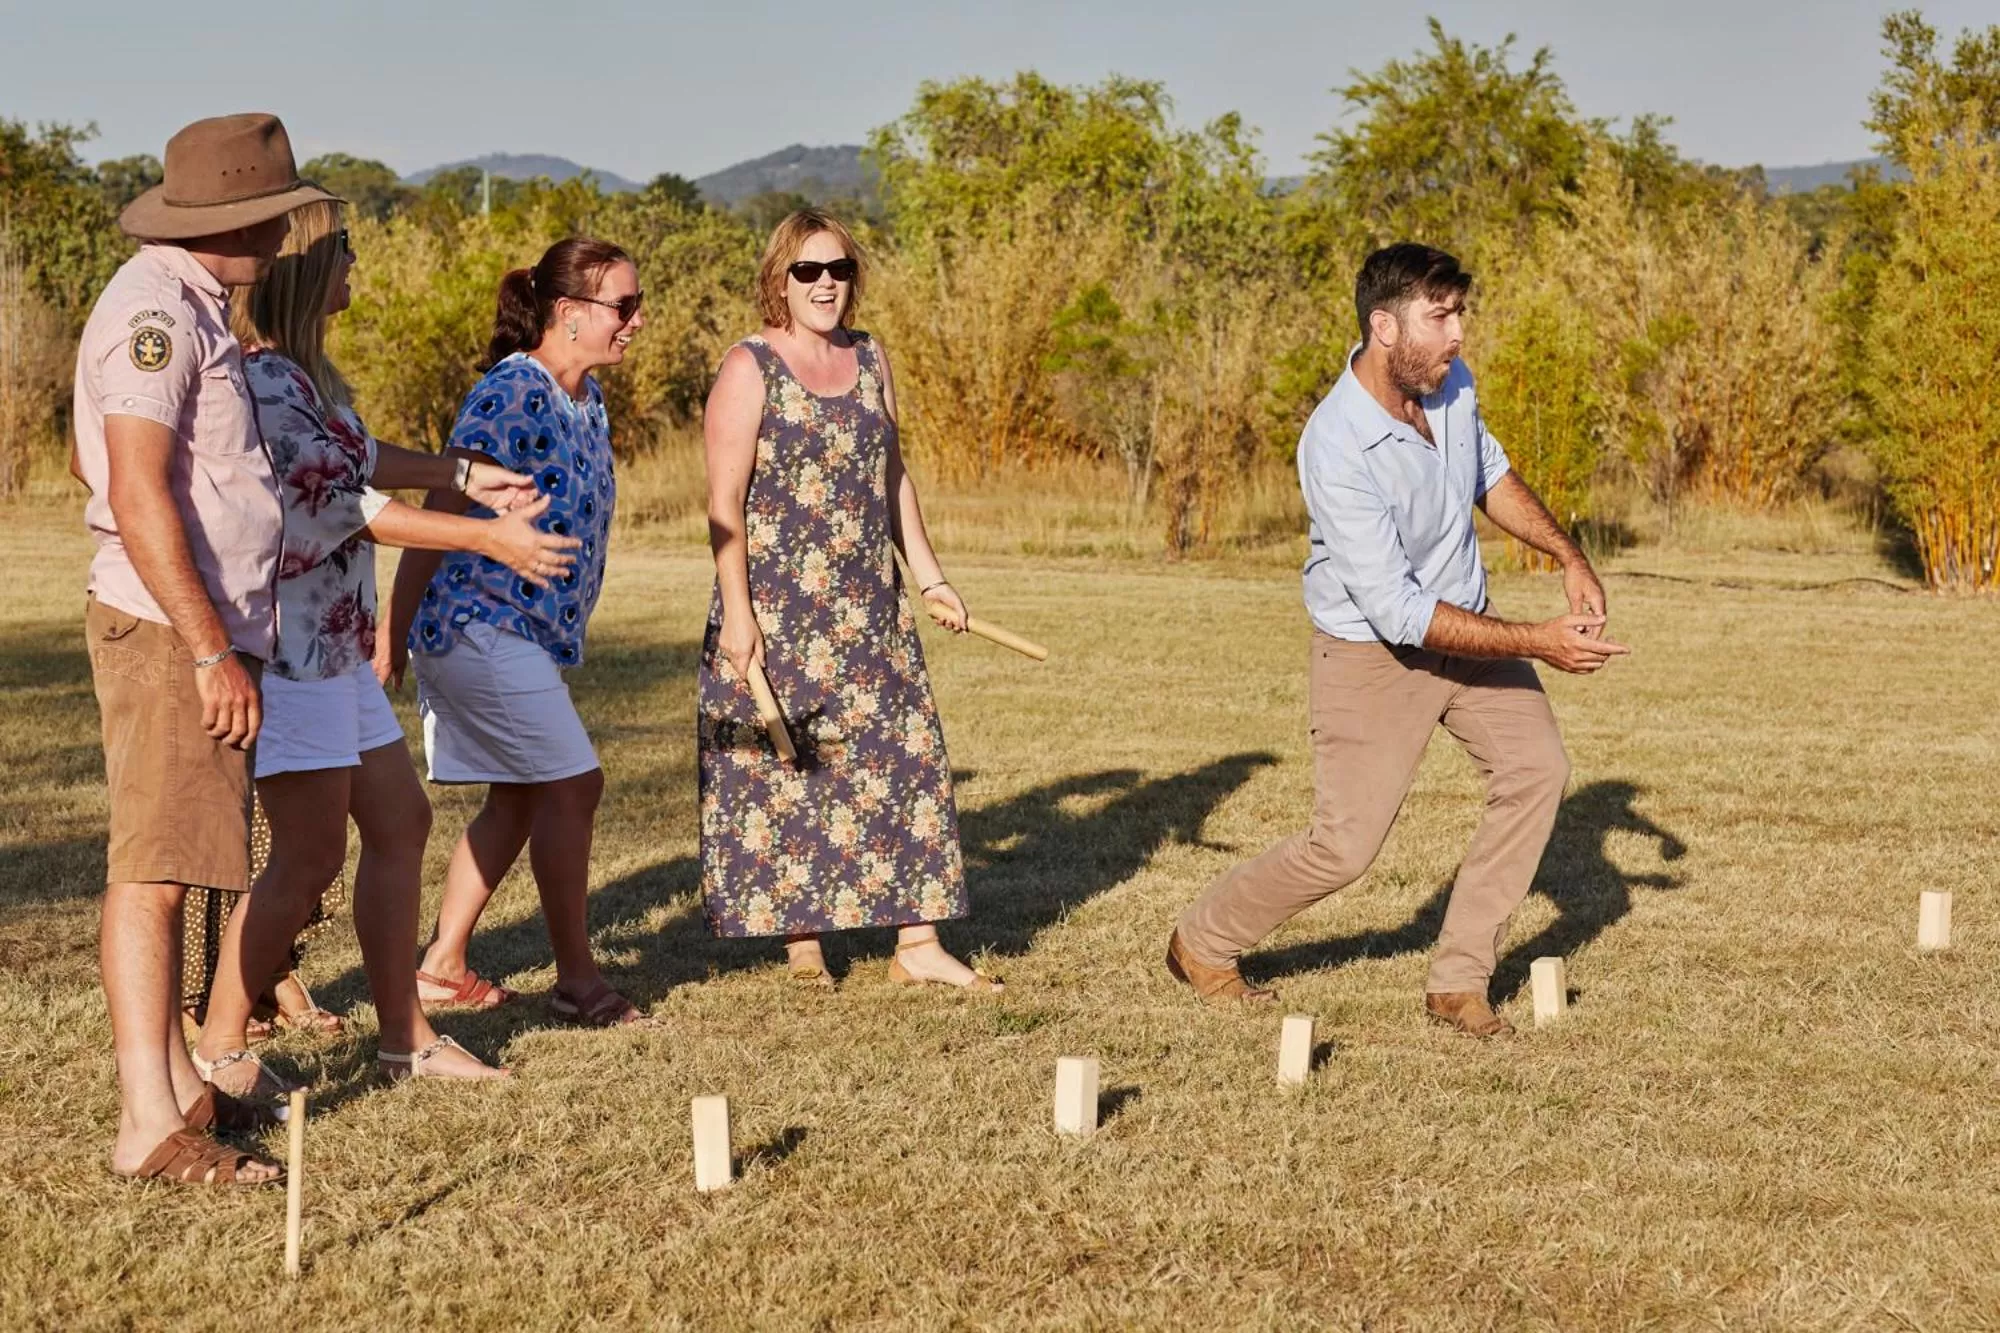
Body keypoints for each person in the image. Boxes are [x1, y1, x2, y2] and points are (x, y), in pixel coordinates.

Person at [1165, 243, 1627, 1036]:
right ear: (1384, 326)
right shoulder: (1336, 443)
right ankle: (1202, 941)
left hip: (1471, 629)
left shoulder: (1450, 386)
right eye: (1439, 317)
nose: (1457, 336)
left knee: (1537, 768)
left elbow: (1491, 476)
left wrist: (1568, 554)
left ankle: (1458, 981)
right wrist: (1540, 641)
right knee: (1343, 848)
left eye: (1459, 315)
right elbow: (1398, 613)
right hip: (1375, 652)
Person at [191, 200, 580, 1096]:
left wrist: (461, 472)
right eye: (346, 248)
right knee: (309, 854)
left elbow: (364, 458)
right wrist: (486, 536)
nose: (358, 261)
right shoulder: (263, 381)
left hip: (333, 644)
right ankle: (217, 1047)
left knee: (401, 819)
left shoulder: (309, 376)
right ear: (302, 269)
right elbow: (336, 504)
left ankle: (405, 1035)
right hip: (291, 652)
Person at [74, 113, 335, 1186]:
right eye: (265, 218)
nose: (279, 237)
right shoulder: (152, 315)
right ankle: (148, 1120)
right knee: (154, 871)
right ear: (220, 221)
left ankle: (180, 1087)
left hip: (210, 626)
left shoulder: (197, 308)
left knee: (183, 860)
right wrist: (203, 650)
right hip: (169, 628)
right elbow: (136, 492)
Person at [697, 209, 998, 992]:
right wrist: (738, 612)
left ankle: (919, 940)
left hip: (871, 605)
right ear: (780, 279)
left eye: (839, 270)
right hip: (779, 606)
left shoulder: (870, 358)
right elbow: (724, 502)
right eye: (808, 271)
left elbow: (893, 476)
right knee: (794, 767)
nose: (826, 283)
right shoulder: (749, 366)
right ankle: (803, 944)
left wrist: (931, 577)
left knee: (907, 759)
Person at [387, 238, 645, 1026]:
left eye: (638, 304)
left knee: (524, 795)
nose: (636, 321)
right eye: (623, 306)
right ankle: (577, 979)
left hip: (524, 632)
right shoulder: (511, 393)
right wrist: (389, 635)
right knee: (574, 782)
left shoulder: (587, 398)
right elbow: (441, 508)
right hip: (475, 624)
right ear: (568, 314)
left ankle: (441, 964)